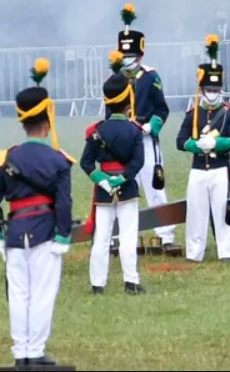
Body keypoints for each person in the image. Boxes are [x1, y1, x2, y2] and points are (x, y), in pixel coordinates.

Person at [0, 58, 75, 369]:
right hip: (45, 230)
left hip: (15, 232)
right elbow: (64, 203)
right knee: (42, 294)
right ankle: (35, 351)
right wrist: (64, 234)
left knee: (19, 295)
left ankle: (20, 351)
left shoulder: (6, 157)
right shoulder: (59, 160)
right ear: (47, 122)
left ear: (22, 122)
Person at [79, 50, 147, 295]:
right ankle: (131, 282)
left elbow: (86, 163)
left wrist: (103, 180)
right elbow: (138, 161)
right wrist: (123, 178)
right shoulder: (133, 130)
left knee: (101, 239)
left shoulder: (97, 130)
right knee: (128, 237)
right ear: (127, 100)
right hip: (127, 187)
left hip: (103, 189)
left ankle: (98, 285)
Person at [115, 3, 178, 253]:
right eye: (124, 55)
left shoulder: (151, 77)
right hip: (122, 140)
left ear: (140, 56)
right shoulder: (116, 77)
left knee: (154, 186)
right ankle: (122, 234)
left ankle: (165, 234)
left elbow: (162, 109)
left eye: (132, 56)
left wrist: (151, 126)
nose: (128, 60)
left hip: (145, 137)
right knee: (122, 187)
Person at [175, 34, 230, 263]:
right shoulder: (192, 114)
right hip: (198, 169)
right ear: (201, 90)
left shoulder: (228, 113)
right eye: (208, 89)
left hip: (220, 168)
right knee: (196, 213)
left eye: (216, 89)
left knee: (223, 211)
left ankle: (227, 253)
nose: (212, 93)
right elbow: (180, 140)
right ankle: (194, 253)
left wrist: (216, 143)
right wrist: (195, 145)